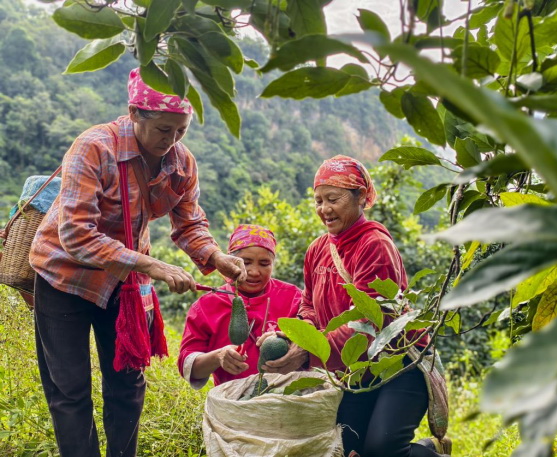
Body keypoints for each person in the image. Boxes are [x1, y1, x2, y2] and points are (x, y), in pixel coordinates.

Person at [29, 68, 247, 457]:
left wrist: (217, 256)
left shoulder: (181, 163)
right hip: (65, 277)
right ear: (134, 113)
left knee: (127, 385)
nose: (172, 140)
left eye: (181, 131)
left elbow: (190, 223)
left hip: (123, 285)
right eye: (164, 129)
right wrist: (151, 266)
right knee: (70, 388)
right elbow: (76, 234)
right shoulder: (94, 148)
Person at [258, 155, 451, 457]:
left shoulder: (374, 245)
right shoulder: (317, 250)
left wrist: (308, 354)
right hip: (354, 369)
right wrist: (297, 337)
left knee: (382, 450)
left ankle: (430, 451)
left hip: (398, 364)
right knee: (346, 446)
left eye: (333, 199)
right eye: (318, 200)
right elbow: (309, 306)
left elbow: (369, 325)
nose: (324, 209)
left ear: (360, 196)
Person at [178, 224, 301, 387]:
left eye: (264, 264)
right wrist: (218, 357)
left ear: (273, 264)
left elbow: (315, 341)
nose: (254, 271)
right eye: (246, 262)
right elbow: (188, 366)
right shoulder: (206, 306)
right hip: (233, 402)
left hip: (285, 398)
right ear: (229, 262)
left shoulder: (294, 297)